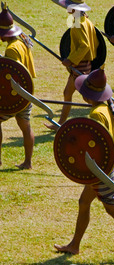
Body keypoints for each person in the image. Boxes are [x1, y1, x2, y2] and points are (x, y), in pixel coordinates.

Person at [54, 68, 114, 256]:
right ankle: (74, 245)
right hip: (103, 167)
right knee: (84, 202)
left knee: (111, 208)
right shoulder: (108, 106)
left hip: (101, 170)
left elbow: (95, 147)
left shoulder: (97, 114)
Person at [45, 0, 98, 131]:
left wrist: (70, 60)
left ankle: (102, 117)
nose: (67, 9)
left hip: (80, 65)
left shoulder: (78, 24)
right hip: (82, 63)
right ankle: (60, 124)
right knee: (67, 93)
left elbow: (85, 46)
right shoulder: (85, 20)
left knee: (88, 97)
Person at [0, 6, 36, 170]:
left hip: (14, 96)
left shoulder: (12, 49)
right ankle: (28, 162)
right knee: (26, 126)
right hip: (27, 95)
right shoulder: (22, 39)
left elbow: (10, 79)